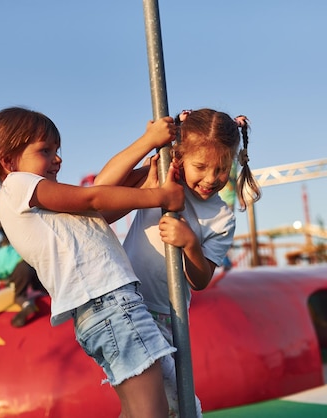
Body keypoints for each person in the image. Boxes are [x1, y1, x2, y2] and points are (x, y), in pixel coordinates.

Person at [0, 106, 185, 417]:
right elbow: (92, 197)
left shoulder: (41, 209)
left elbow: (101, 210)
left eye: (57, 150)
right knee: (153, 412)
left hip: (103, 311)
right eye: (45, 150)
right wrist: (159, 190)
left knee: (140, 410)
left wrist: (147, 178)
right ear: (8, 160)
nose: (58, 158)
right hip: (111, 306)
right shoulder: (19, 185)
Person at [94, 108, 262, 416]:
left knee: (151, 406)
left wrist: (190, 244)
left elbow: (200, 280)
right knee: (181, 408)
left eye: (222, 168)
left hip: (169, 319)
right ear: (180, 156)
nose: (212, 178)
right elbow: (99, 191)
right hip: (126, 305)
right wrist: (148, 142)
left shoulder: (221, 217)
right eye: (201, 166)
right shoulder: (161, 177)